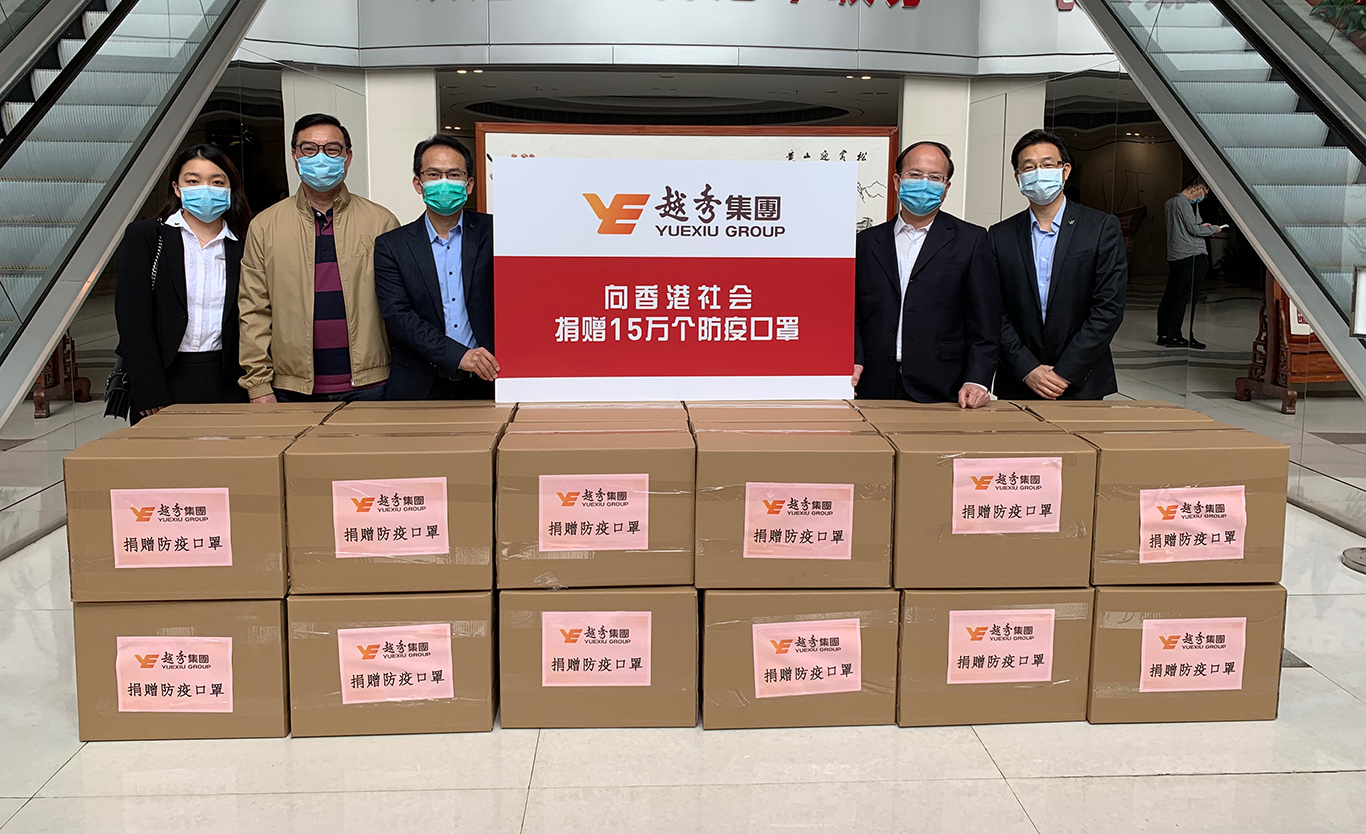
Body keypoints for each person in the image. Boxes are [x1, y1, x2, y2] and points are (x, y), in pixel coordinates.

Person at [237, 113, 400, 403]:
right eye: (309, 149)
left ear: (348, 158)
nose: (321, 158)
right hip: (291, 387)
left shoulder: (381, 222)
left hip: (371, 383)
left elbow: (399, 307)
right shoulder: (264, 226)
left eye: (332, 149)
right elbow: (254, 310)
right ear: (295, 156)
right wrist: (258, 385)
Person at [853, 141, 999, 406]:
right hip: (872, 382)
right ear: (897, 181)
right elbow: (853, 314)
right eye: (915, 174)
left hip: (945, 387)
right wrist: (852, 360)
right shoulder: (865, 243)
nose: (924, 183)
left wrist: (978, 379)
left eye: (935, 178)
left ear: (946, 188)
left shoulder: (972, 240)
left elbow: (985, 322)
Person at [113, 144, 252, 423]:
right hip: (164, 379)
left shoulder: (245, 243)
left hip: (229, 380)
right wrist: (149, 390)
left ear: (230, 188)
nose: (206, 189)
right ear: (177, 188)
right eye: (193, 181)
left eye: (217, 182)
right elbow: (132, 320)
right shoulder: (147, 237)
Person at [989, 129, 1127, 401]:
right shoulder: (999, 235)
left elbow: (1108, 308)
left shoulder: (1100, 227)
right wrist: (1027, 369)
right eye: (1029, 167)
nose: (1038, 172)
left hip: (1082, 381)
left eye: (1047, 164)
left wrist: (1065, 372)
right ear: (1018, 177)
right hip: (1019, 380)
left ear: (1065, 171)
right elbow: (994, 310)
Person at [374, 135, 497, 400]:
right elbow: (398, 316)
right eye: (433, 174)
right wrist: (459, 355)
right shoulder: (391, 246)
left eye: (453, 174)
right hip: (420, 384)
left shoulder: (495, 233)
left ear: (469, 184)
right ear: (418, 184)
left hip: (489, 379)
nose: (444, 182)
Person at [1158, 174, 1223, 349]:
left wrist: (1200, 227)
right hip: (1191, 255)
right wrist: (1214, 229)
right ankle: (1175, 336)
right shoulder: (1184, 203)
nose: (1202, 198)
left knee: (1170, 296)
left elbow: (1182, 227)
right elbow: (1194, 230)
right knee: (1184, 298)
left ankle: (1163, 334)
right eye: (1203, 193)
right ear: (1196, 189)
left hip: (1175, 255)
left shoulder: (1169, 203)